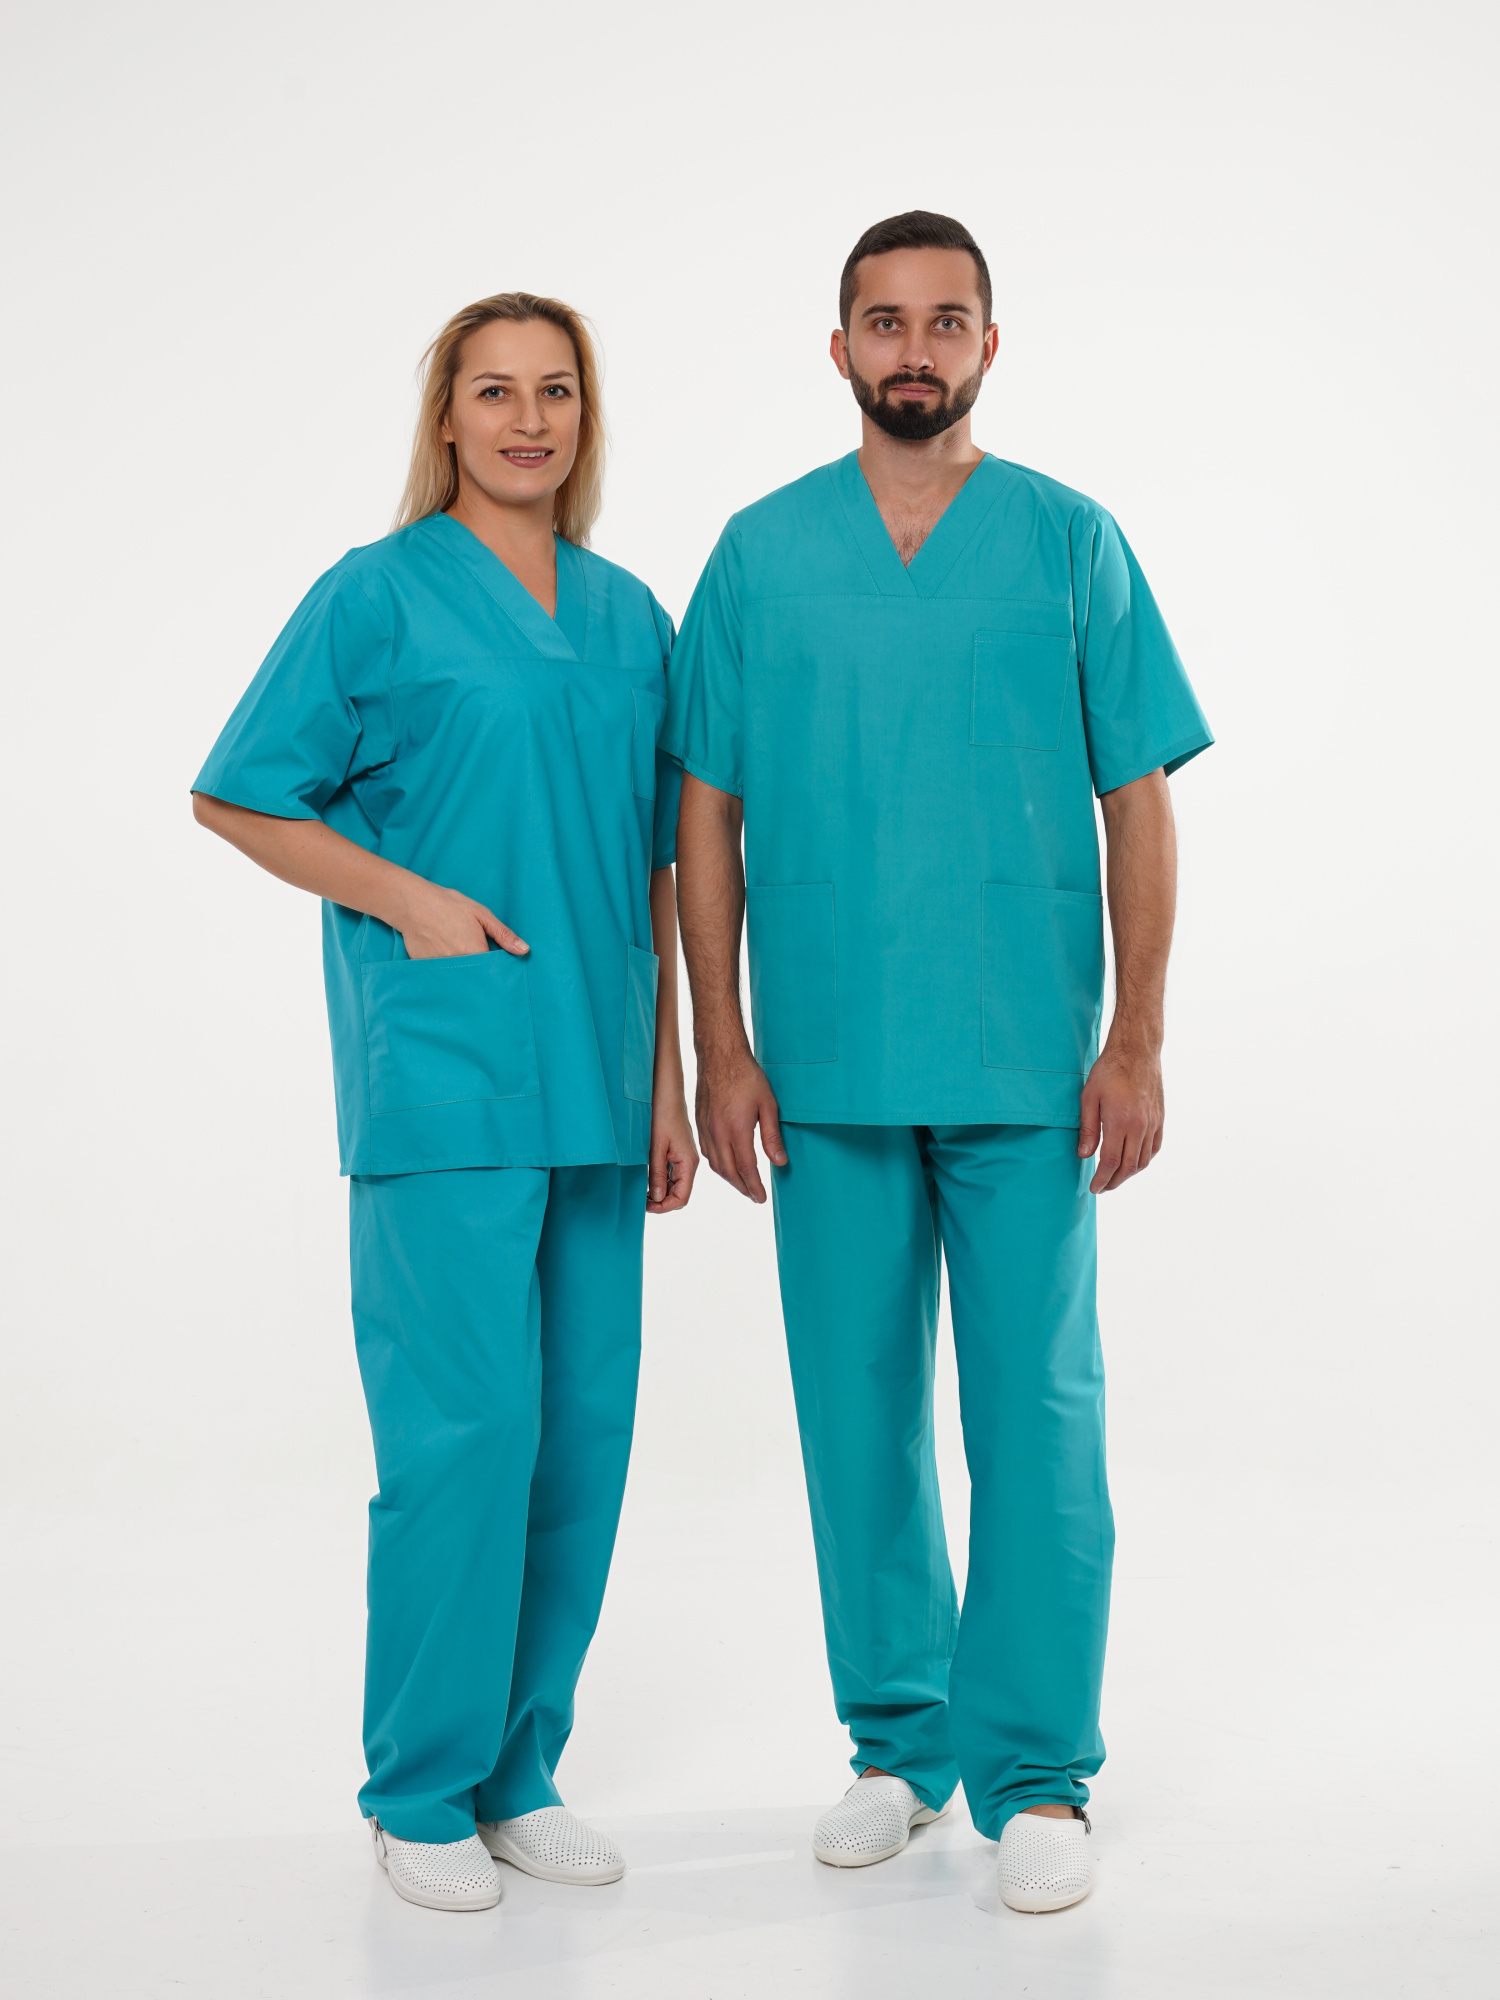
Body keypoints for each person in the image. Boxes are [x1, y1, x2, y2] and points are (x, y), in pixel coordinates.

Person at [665, 212, 1211, 1914]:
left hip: (1021, 1057)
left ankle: (1035, 1776)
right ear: (839, 349)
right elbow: (705, 812)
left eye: (946, 320)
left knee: (1037, 1414)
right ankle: (900, 1748)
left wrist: (1136, 1035)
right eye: (886, 322)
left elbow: (1138, 799)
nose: (916, 349)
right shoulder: (761, 554)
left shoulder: (1068, 541)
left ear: (990, 343)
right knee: (858, 1414)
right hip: (824, 1055)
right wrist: (720, 1044)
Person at [192, 292, 697, 1912]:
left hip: (599, 1075)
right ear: (447, 418)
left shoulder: (631, 617)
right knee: (462, 1437)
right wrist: (406, 899)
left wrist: (671, 1079)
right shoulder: (376, 595)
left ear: (584, 418)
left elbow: (655, 869)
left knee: (581, 1440)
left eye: (555, 391)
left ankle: (515, 1773)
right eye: (494, 392)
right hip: (448, 1076)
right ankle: (417, 1788)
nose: (527, 421)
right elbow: (239, 792)